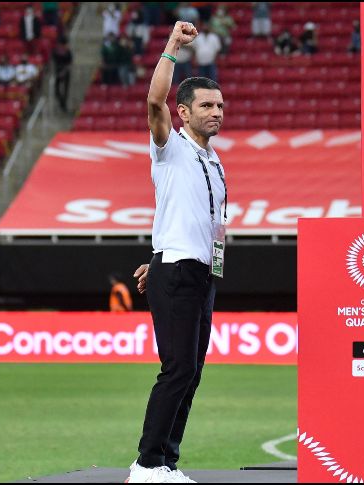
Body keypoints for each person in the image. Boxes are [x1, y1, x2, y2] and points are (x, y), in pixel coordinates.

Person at [127, 21, 226, 484]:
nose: (217, 112)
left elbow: (202, 219)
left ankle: (166, 462)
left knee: (192, 372)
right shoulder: (169, 146)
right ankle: (146, 464)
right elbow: (153, 102)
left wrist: (162, 253)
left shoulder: (214, 160)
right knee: (177, 368)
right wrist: (171, 46)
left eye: (220, 105)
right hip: (178, 272)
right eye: (206, 105)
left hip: (200, 273)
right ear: (183, 113)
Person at [52, 36, 73, 110]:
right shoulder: (56, 51)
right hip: (58, 71)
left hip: (66, 71)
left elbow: (69, 63)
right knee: (56, 90)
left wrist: (64, 71)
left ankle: (64, 104)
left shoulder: (68, 52)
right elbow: (54, 62)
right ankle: (61, 101)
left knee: (65, 90)